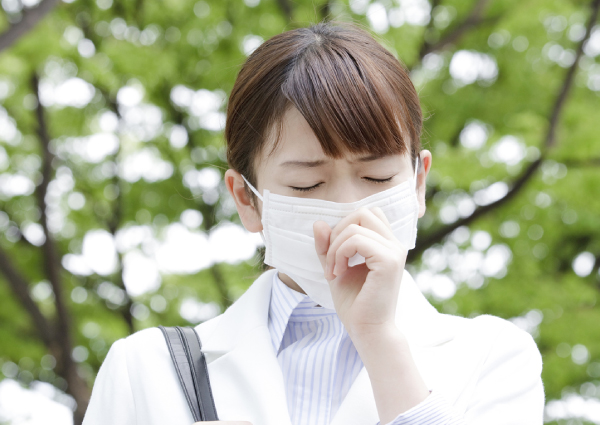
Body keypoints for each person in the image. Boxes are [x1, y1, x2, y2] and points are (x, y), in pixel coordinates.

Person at [82, 21, 545, 425]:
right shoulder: (145, 369)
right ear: (246, 198)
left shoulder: (493, 356)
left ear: (418, 183)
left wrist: (378, 338)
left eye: (377, 176)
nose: (349, 210)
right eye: (307, 185)